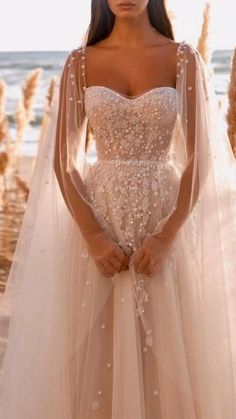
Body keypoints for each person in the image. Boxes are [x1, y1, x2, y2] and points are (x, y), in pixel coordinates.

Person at [0, 0, 236, 418]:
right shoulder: (81, 63)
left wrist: (167, 235)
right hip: (97, 214)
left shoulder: (183, 58)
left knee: (165, 343)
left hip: (163, 217)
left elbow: (199, 159)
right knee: (91, 343)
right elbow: (63, 160)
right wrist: (92, 236)